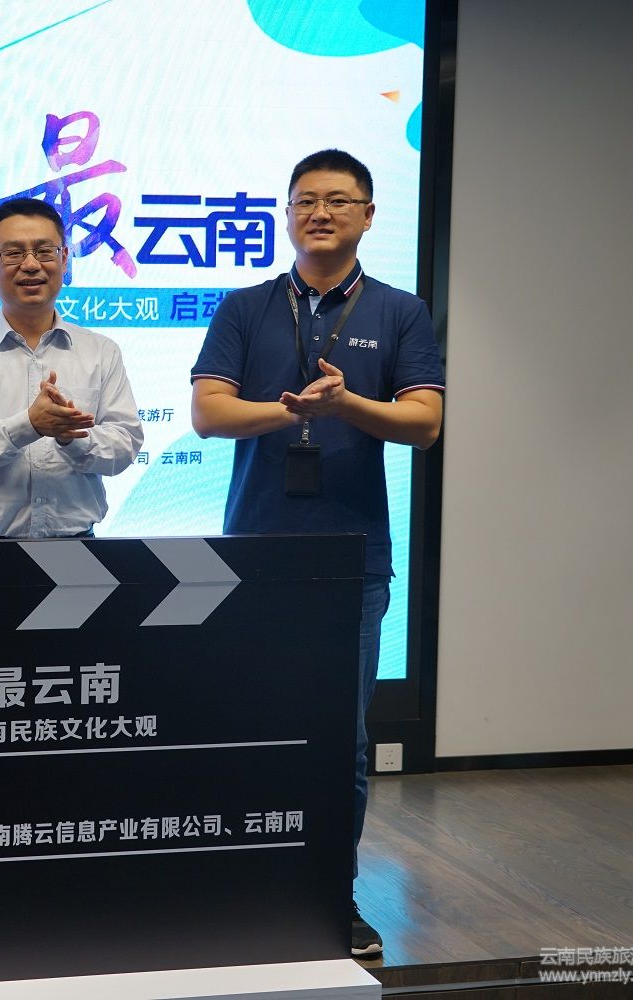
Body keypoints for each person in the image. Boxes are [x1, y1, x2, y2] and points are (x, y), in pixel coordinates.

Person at [190, 150, 445, 957]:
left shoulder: (400, 311)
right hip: (254, 556)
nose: (321, 213)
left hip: (352, 560)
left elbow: (424, 423)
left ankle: (332, 895)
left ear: (368, 215)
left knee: (344, 741)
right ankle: (246, 890)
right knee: (250, 725)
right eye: (306, 200)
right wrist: (293, 410)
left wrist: (348, 405)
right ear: (287, 214)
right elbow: (208, 413)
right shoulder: (246, 307)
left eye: (338, 200)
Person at [0, 197, 142, 539]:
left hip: (81, 551)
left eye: (44, 251)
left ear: (64, 259)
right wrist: (28, 425)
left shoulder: (101, 352)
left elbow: (125, 445)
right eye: (13, 253)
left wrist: (72, 437)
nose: (30, 265)